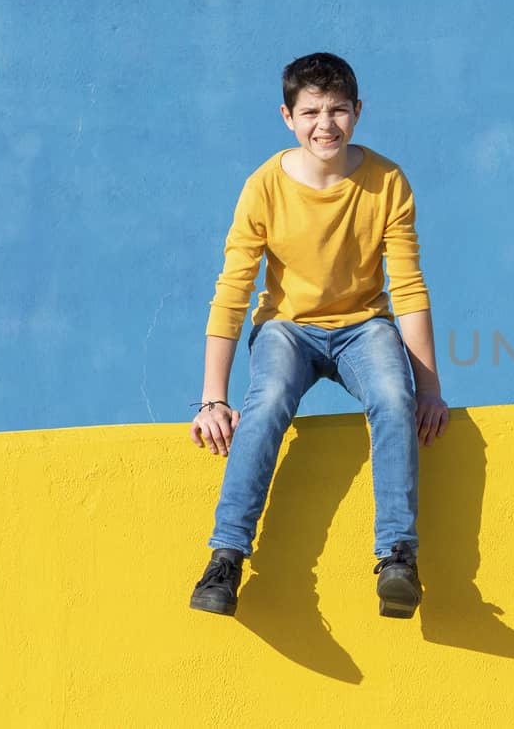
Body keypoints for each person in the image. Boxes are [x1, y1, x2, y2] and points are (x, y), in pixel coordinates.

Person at [185, 52, 448, 619]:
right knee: (269, 400)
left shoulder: (386, 182)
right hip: (288, 328)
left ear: (358, 112)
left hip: (363, 325)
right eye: (310, 112)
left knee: (393, 398)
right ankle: (226, 557)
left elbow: (407, 288)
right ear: (287, 116)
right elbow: (232, 292)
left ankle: (398, 555)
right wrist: (213, 398)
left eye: (337, 111)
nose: (324, 124)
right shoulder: (263, 187)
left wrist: (429, 389)